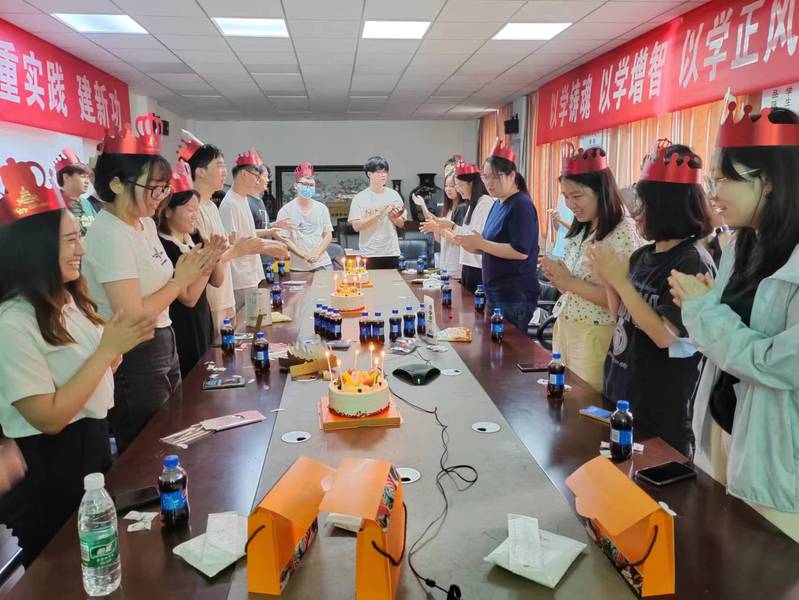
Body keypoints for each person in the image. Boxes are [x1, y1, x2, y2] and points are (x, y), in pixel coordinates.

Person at [0, 156, 156, 565]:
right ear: (35, 249)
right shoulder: (13, 323)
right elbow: (48, 417)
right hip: (50, 468)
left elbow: (88, 369)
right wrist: (104, 352)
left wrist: (112, 352)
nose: (81, 249)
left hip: (91, 448)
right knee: (61, 571)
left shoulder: (67, 301)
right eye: (70, 240)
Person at [669, 105, 799, 542]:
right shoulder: (743, 243)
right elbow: (716, 337)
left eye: (724, 180)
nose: (714, 194)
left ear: (770, 181)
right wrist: (704, 309)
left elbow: (781, 364)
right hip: (727, 426)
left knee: (765, 564)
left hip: (777, 455)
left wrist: (704, 311)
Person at [82, 113, 218, 452]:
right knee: (147, 446)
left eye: (164, 188)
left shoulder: (142, 224)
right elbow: (131, 315)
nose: (161, 196)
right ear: (116, 184)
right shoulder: (109, 234)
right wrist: (179, 280)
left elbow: (169, 283)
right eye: (153, 188)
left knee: (173, 431)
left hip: (164, 337)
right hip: (135, 353)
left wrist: (191, 270)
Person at [588, 141, 715, 456]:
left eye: (643, 206)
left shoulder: (692, 261)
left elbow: (663, 336)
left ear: (665, 208)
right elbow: (621, 315)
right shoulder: (643, 255)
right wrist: (609, 282)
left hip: (660, 404)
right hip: (621, 387)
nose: (637, 215)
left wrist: (620, 281)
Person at [541, 145, 642, 391]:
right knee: (561, 396)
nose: (570, 204)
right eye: (565, 196)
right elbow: (574, 286)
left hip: (596, 333)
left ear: (601, 191)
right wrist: (559, 278)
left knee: (585, 404)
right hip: (566, 326)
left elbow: (623, 300)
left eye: (577, 196)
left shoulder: (622, 230)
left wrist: (570, 283)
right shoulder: (583, 226)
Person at [454, 141, 539, 331]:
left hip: (514, 295)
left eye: (495, 177)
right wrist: (474, 246)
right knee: (493, 345)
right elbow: (492, 244)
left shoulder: (521, 205)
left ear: (512, 175)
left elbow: (520, 251)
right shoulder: (498, 203)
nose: (489, 183)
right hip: (494, 293)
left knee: (508, 346)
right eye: (485, 177)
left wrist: (481, 244)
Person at [182, 132, 262, 331]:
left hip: (225, 295)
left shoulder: (211, 206)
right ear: (200, 172)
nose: (225, 172)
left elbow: (220, 249)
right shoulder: (193, 210)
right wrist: (237, 250)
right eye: (219, 166)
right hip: (210, 300)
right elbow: (204, 260)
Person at [158, 161, 228, 377]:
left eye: (196, 209)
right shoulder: (164, 246)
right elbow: (189, 298)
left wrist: (216, 255)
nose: (195, 215)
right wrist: (208, 259)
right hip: (182, 327)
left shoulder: (195, 237)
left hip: (202, 321)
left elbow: (217, 281)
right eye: (189, 210)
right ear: (167, 211)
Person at [219, 148, 289, 311]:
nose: (258, 181)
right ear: (244, 174)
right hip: (239, 277)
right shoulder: (230, 204)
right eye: (256, 176)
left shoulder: (242, 199)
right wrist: (268, 247)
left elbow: (249, 234)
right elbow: (233, 244)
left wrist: (272, 244)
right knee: (243, 322)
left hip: (250, 273)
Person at [423, 159, 493, 292]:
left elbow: (475, 239)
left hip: (477, 265)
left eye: (460, 185)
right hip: (467, 263)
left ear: (472, 184)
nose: (458, 190)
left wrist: (451, 226)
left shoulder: (484, 203)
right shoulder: (471, 204)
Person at [348, 155, 406, 269]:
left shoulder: (394, 195)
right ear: (369, 174)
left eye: (385, 172)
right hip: (369, 252)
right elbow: (356, 226)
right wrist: (378, 214)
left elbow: (401, 223)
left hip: (391, 251)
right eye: (379, 172)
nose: (383, 175)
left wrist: (392, 216)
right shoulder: (359, 198)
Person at [276, 161, 335, 272]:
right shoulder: (286, 211)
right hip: (298, 268)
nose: (308, 187)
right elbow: (284, 239)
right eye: (304, 184)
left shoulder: (322, 208)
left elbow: (328, 235)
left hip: (323, 264)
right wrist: (303, 255)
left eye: (311, 185)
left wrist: (316, 254)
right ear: (296, 186)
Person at [421, 171, 465, 279]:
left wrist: (437, 228)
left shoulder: (463, 208)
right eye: (446, 186)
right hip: (445, 263)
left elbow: (457, 240)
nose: (448, 189)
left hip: (457, 265)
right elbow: (440, 240)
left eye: (452, 186)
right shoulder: (447, 210)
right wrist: (435, 228)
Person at [55, 148, 96, 236]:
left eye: (87, 177)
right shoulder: (55, 205)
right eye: (83, 176)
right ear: (66, 177)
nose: (87, 181)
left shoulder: (87, 204)